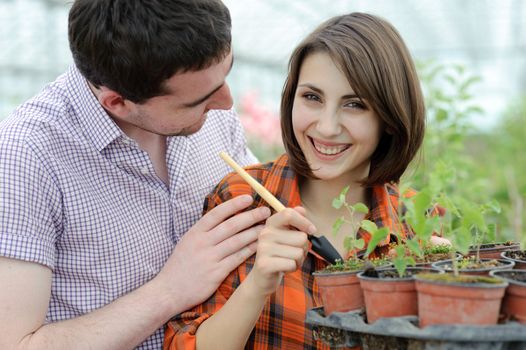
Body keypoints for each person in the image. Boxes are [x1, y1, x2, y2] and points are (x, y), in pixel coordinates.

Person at [164, 12, 450, 349]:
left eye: (355, 104)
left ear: (388, 118)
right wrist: (258, 284)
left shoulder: (417, 221)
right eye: (312, 98)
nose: (327, 127)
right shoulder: (241, 201)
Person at [0, 1, 272, 349]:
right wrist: (169, 292)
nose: (226, 103)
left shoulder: (209, 107)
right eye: (196, 101)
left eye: (227, 73)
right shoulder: (25, 157)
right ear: (117, 103)